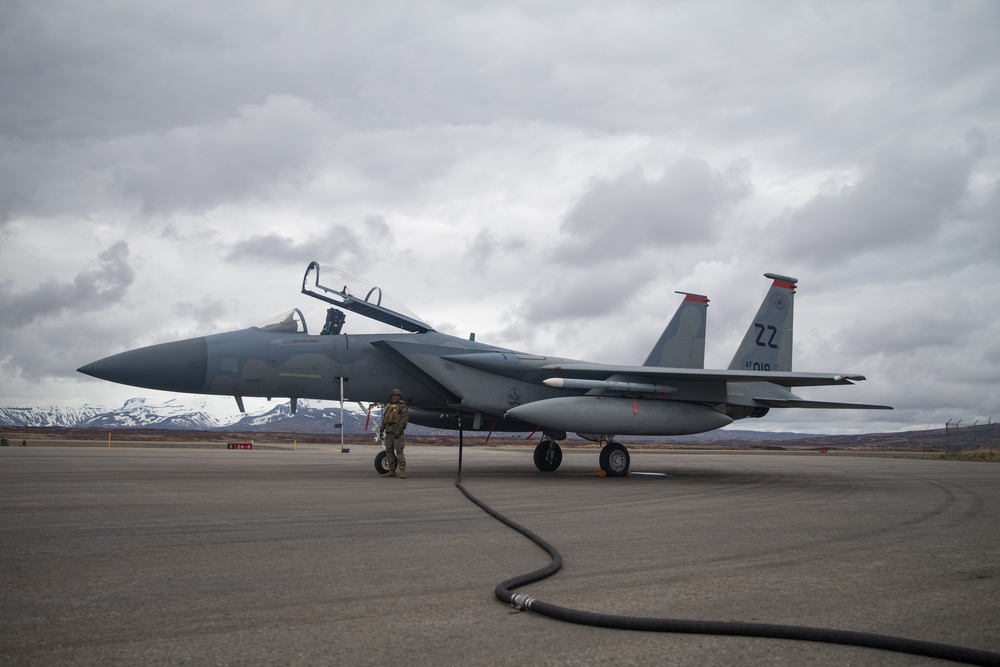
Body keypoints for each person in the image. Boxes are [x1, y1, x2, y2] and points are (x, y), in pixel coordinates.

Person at [381, 388, 409, 478]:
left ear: (400, 397)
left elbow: (404, 419)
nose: (394, 397)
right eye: (393, 395)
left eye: (396, 395)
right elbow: (385, 420)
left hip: (397, 434)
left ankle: (402, 470)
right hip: (388, 433)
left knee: (399, 452)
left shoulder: (402, 407)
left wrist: (399, 431)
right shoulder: (389, 408)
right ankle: (391, 470)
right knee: (389, 452)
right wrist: (382, 430)